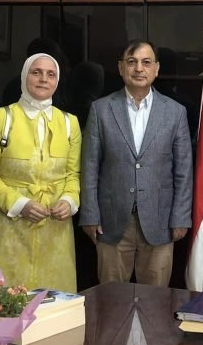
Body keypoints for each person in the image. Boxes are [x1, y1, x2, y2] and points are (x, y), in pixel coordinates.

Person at [80, 40, 192, 287]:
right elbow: (90, 166)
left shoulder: (175, 112)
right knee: (111, 297)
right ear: (121, 68)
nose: (139, 68)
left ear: (156, 69)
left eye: (146, 62)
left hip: (160, 220)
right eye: (132, 62)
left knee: (155, 299)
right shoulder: (101, 109)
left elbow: (183, 171)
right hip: (110, 221)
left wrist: (181, 217)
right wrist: (89, 214)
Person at [0, 53, 81, 293]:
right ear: (24, 76)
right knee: (5, 303)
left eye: (51, 74)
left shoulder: (70, 123)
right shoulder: (0, 118)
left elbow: (73, 175)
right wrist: (21, 204)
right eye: (36, 72)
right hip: (8, 230)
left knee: (52, 304)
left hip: (55, 231)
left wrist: (68, 201)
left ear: (57, 80)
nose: (43, 79)